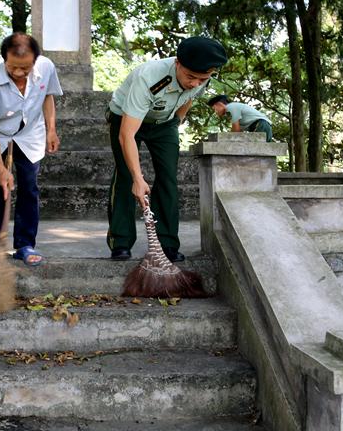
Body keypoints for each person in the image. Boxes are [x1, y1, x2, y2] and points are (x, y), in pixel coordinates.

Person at [106, 36, 227, 262]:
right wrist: (137, 178)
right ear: (177, 64)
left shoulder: (201, 80)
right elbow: (127, 135)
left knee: (168, 178)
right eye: (190, 76)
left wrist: (175, 123)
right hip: (126, 119)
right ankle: (120, 242)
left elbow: (188, 98)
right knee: (125, 175)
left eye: (202, 79)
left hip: (164, 123)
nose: (195, 83)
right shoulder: (149, 78)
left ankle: (168, 243)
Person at [0, 32, 62, 266]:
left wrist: (51, 129)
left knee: (29, 185)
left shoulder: (46, 67)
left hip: (29, 132)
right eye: (13, 68)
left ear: (36, 60)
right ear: (4, 59)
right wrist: (1, 170)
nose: (19, 73)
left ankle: (25, 244)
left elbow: (48, 96)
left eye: (25, 68)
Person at [207, 95, 273, 142]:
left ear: (220, 104)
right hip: (262, 126)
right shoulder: (232, 110)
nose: (215, 112)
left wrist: (227, 141)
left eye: (214, 109)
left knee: (254, 149)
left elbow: (236, 130)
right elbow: (239, 130)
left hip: (261, 125)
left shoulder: (231, 107)